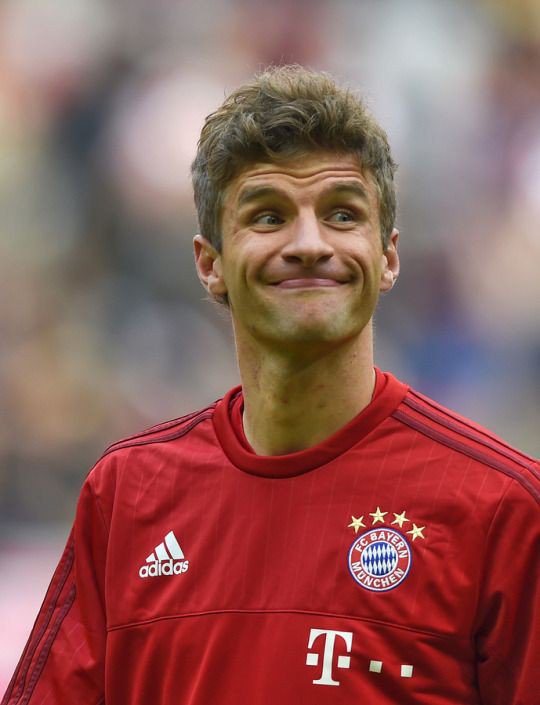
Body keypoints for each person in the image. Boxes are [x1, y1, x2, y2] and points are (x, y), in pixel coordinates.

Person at [3, 65, 539, 705]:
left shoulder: (503, 509)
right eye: (267, 216)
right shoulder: (127, 495)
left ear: (388, 255)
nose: (309, 244)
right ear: (210, 263)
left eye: (342, 214)